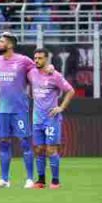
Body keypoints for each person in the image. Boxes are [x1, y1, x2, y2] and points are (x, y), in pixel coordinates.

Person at [0, 32, 36, 189]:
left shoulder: (23, 60)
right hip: (2, 110)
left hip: (19, 109)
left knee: (24, 143)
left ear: (10, 45)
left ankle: (30, 179)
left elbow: (38, 71)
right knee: (3, 143)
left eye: (1, 41)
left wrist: (49, 68)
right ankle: (4, 179)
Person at [28, 48, 75, 189]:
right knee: (38, 149)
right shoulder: (31, 73)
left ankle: (55, 181)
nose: (37, 60)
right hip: (37, 119)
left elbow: (70, 91)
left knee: (51, 150)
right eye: (35, 58)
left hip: (51, 119)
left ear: (47, 59)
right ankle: (41, 181)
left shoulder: (55, 75)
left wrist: (61, 108)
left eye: (40, 58)